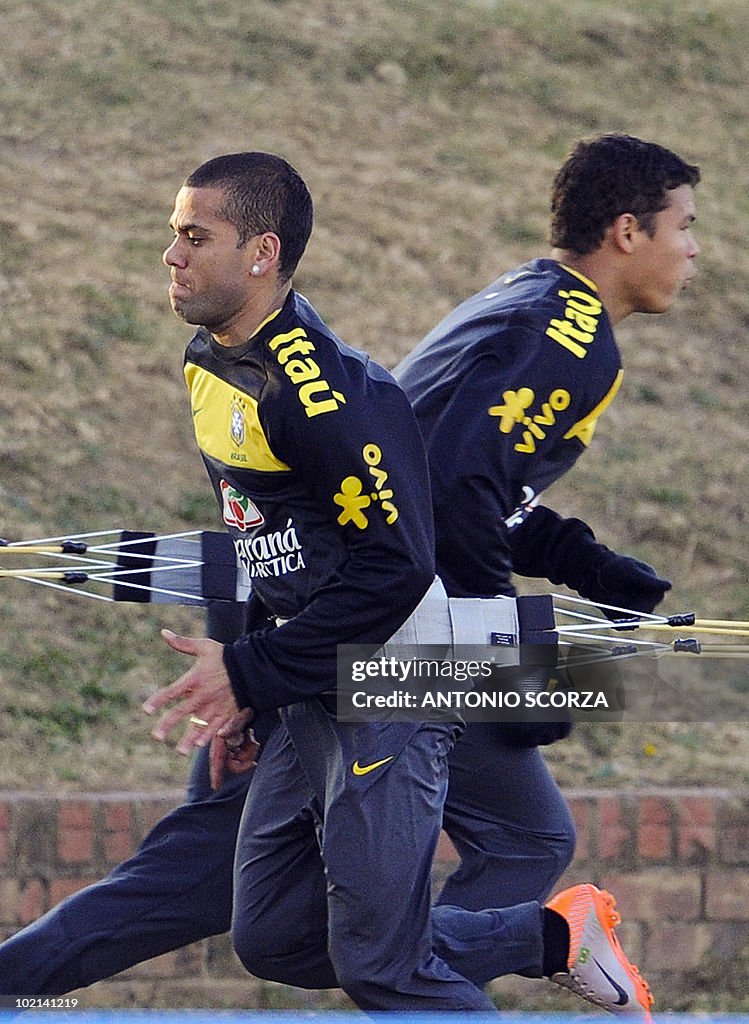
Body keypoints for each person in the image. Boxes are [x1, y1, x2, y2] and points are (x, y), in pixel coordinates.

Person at [0, 136, 698, 1016]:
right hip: (365, 648)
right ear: (628, 232)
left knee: (450, 883)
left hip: (364, 643)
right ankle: (525, 943)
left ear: (262, 254)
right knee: (278, 913)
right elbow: (426, 492)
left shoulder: (521, 304)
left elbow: (426, 490)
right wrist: (492, 660)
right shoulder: (567, 337)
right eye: (687, 225)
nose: (694, 248)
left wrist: (575, 563)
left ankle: (501, 951)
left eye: (192, 236)